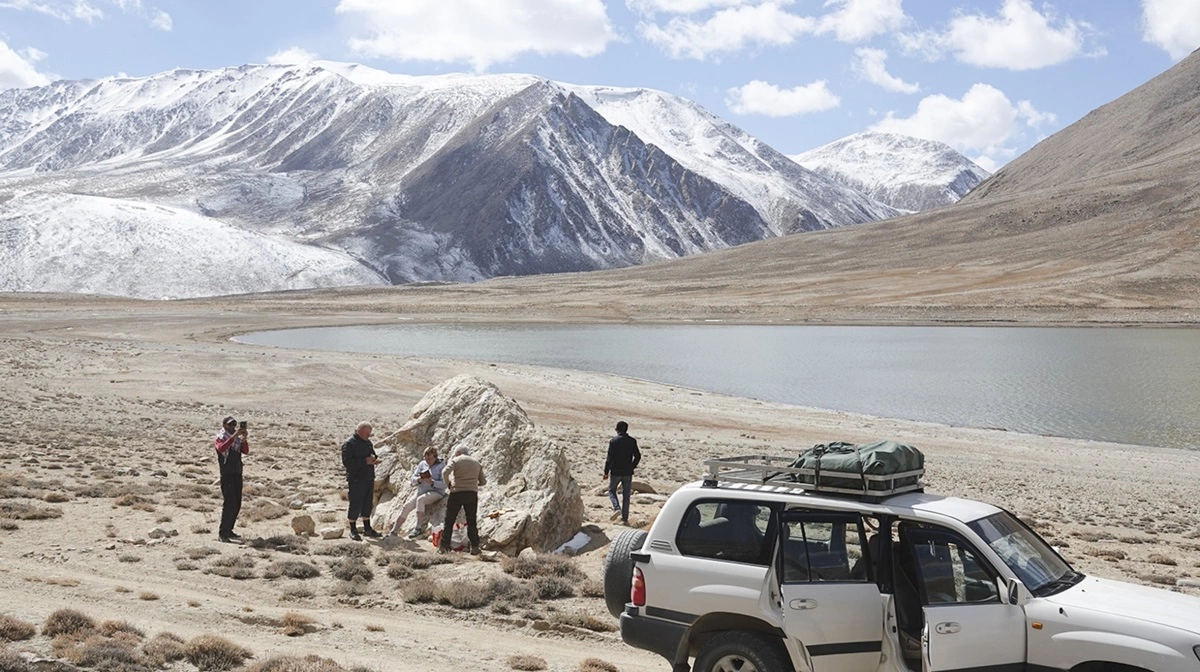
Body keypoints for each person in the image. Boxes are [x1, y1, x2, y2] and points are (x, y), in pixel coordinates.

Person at [387, 446, 447, 538]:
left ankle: (418, 528)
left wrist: (432, 482)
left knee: (420, 500)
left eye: (429, 459)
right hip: (421, 490)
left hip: (436, 492)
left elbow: (444, 484)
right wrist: (419, 479)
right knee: (406, 506)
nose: (427, 461)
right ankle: (394, 530)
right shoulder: (422, 464)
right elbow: (413, 478)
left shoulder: (441, 466)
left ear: (435, 457)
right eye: (425, 458)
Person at [439, 444, 486, 555]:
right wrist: (473, 484)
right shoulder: (476, 463)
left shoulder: (456, 461)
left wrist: (448, 484)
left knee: (449, 520)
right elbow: (483, 482)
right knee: (471, 521)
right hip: (472, 494)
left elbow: (444, 472)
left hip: (456, 493)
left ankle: (444, 547)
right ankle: (474, 547)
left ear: (458, 453)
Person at [341, 421, 383, 541]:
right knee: (356, 503)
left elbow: (373, 455)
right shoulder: (349, 444)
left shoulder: (368, 443)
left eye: (369, 434)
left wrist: (375, 460)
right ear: (360, 431)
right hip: (356, 479)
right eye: (366, 433)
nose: (368, 436)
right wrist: (365, 461)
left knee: (367, 503)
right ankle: (353, 529)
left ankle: (367, 528)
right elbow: (347, 463)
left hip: (369, 477)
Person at [214, 416, 249, 543]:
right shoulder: (221, 437)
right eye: (230, 425)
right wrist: (234, 436)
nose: (233, 427)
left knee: (237, 503)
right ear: (224, 425)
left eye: (234, 425)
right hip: (227, 473)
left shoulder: (237, 440)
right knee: (229, 503)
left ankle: (229, 530)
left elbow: (245, 451)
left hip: (237, 472)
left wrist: (243, 438)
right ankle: (223, 532)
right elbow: (221, 448)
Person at [603, 420, 641, 525]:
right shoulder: (632, 441)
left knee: (611, 491)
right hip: (627, 472)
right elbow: (638, 456)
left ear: (617, 430)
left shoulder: (613, 441)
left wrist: (606, 472)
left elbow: (609, 458)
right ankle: (625, 519)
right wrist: (632, 466)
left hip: (615, 471)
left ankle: (616, 508)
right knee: (626, 495)